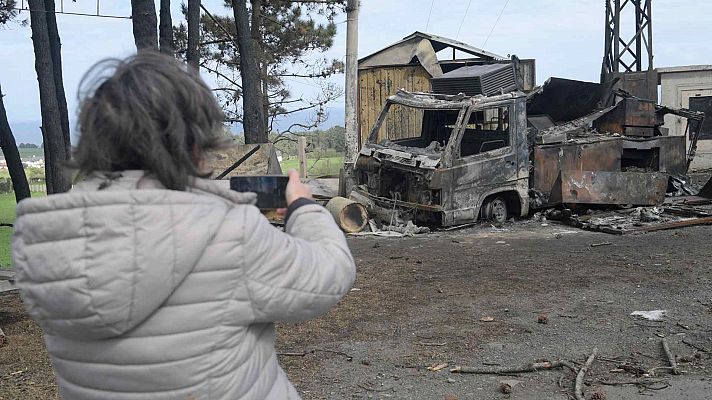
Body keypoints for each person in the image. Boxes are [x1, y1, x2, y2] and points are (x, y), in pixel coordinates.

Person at [12, 52, 356, 400]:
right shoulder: (228, 231)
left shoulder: (46, 242)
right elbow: (329, 275)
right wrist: (303, 206)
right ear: (192, 144)